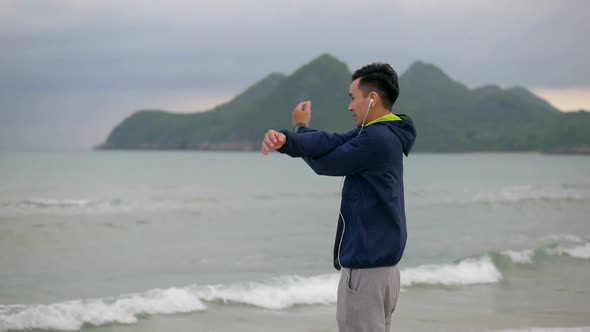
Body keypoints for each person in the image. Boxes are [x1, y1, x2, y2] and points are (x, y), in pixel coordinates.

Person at [260, 62, 416, 332]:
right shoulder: (385, 133)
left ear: (372, 99)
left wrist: (293, 135)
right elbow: (330, 142)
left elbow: (327, 163)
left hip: (366, 273)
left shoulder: (375, 139)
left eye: (353, 97)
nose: (350, 106)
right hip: (385, 272)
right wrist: (292, 137)